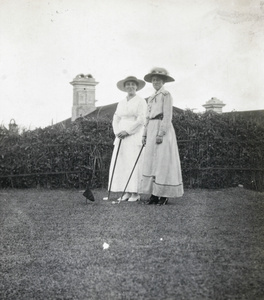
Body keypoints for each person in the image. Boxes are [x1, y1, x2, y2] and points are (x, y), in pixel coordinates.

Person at [139, 67, 184, 205]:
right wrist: (145, 134)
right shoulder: (151, 98)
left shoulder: (166, 95)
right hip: (151, 128)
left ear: (163, 81)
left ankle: (163, 195)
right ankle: (154, 194)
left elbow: (167, 115)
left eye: (158, 80)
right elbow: (147, 117)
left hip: (161, 128)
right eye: (153, 80)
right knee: (152, 162)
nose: (155, 82)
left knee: (163, 162)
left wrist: (161, 133)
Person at [107, 76, 147, 202]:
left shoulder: (141, 101)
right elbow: (116, 118)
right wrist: (118, 132)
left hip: (134, 136)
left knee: (133, 162)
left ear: (136, 87)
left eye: (132, 84)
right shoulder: (121, 102)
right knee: (123, 163)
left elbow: (141, 119)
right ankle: (126, 192)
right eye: (128, 85)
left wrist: (128, 131)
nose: (130, 87)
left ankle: (135, 193)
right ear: (125, 88)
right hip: (121, 136)